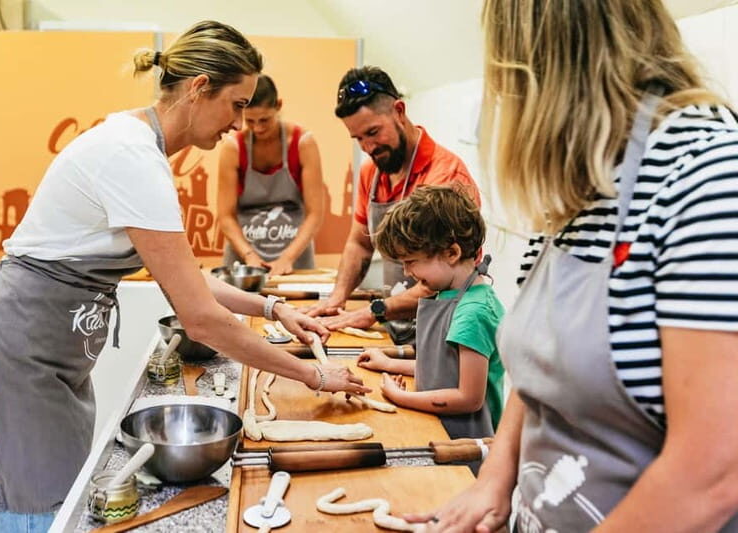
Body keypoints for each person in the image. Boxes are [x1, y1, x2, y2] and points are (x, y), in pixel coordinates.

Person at [0, 21, 369, 532]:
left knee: (63, 512)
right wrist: (312, 374)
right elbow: (200, 318)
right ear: (198, 89)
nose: (239, 124)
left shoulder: (138, 149)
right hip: (15, 355)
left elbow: (186, 275)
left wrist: (272, 308)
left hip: (46, 355)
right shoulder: (131, 155)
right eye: (236, 104)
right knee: (38, 521)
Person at [407, 1, 738, 531]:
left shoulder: (708, 178)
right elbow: (540, 374)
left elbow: (713, 472)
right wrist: (495, 480)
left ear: (540, 71)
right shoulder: (578, 189)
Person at [305, 66, 482, 345]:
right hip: (395, 327)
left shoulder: (445, 178)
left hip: (444, 331)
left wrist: (375, 310)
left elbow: (447, 276)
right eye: (358, 138)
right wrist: (336, 299)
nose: (368, 147)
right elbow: (360, 244)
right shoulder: (371, 173)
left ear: (399, 111)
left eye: (373, 132)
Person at [357, 186, 505, 444]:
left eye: (411, 261)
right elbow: (445, 371)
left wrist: (402, 398)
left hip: (466, 445)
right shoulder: (448, 294)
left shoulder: (473, 312)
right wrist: (389, 364)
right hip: (440, 433)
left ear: (451, 253)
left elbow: (468, 397)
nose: (406, 272)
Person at [218, 74, 325, 275]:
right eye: (250, 121)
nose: (258, 128)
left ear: (278, 105)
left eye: (264, 120)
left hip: (294, 256)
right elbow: (225, 216)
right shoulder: (233, 148)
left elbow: (314, 214)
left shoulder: (303, 143)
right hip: (244, 259)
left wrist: (287, 258)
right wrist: (249, 255)